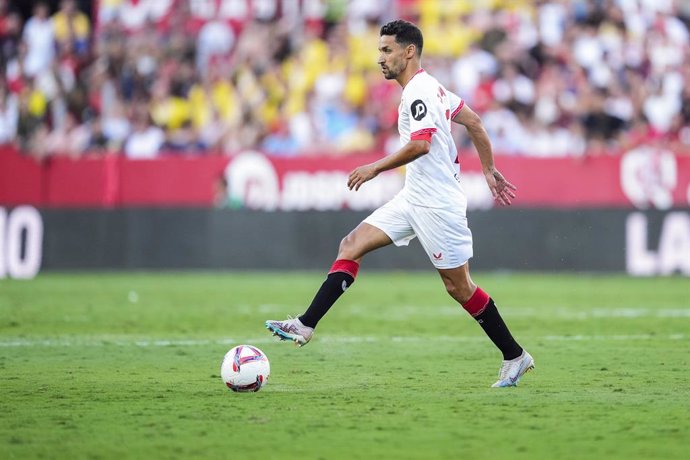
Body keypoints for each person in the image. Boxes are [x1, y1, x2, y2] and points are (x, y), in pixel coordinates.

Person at [266, 20, 534, 388]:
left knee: (460, 288)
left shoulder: (419, 92)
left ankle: (515, 356)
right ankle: (305, 324)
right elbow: (473, 122)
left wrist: (374, 167)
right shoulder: (432, 88)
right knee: (351, 244)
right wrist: (488, 170)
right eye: (380, 51)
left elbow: (423, 143)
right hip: (414, 197)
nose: (380, 58)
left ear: (409, 52)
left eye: (387, 50)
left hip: (438, 205)